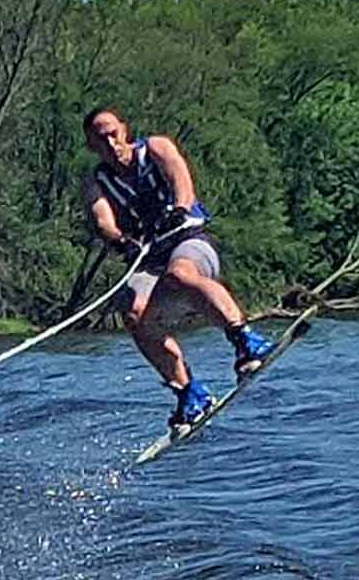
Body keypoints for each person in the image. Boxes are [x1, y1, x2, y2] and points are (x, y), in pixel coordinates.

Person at [82, 108, 274, 432]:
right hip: (150, 257)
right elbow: (103, 220)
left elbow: (181, 179)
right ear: (91, 145)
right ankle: (189, 394)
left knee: (181, 275)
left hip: (189, 239)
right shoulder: (96, 181)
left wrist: (180, 209)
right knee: (133, 315)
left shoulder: (155, 148)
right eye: (101, 139)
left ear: (124, 130)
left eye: (113, 133)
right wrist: (120, 240)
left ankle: (245, 340)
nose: (110, 142)